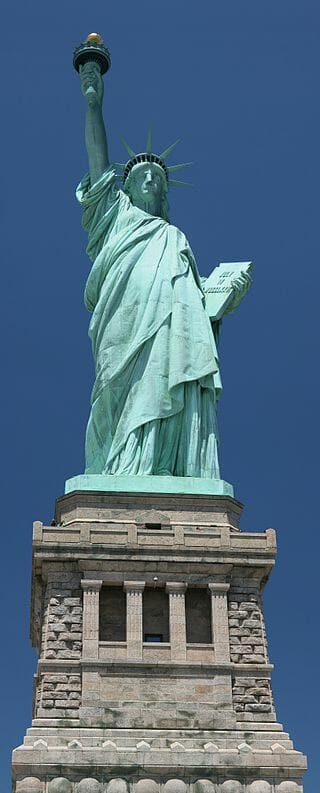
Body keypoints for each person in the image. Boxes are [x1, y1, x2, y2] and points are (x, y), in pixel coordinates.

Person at [77, 62, 249, 478]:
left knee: (170, 376)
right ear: (127, 187)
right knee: (121, 390)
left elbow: (197, 305)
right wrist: (94, 105)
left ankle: (168, 467)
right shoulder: (113, 217)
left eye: (158, 176)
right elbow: (99, 165)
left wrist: (223, 297)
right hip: (124, 320)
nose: (152, 180)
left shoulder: (176, 240)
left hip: (174, 329)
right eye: (142, 176)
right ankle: (122, 469)